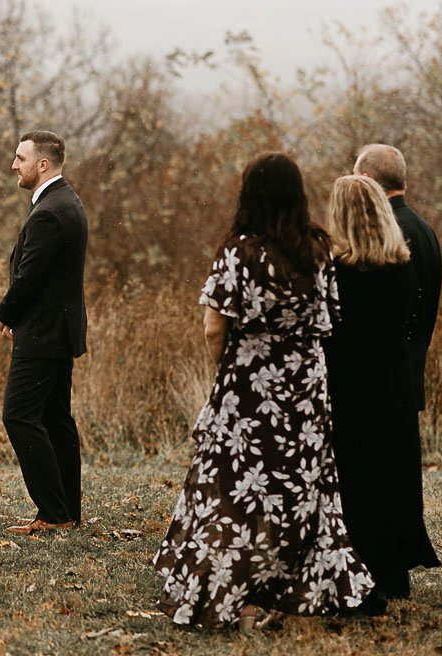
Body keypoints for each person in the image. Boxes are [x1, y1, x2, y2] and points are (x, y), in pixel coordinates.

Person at [154, 152, 372, 630]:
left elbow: (215, 328)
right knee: (299, 489)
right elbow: (329, 322)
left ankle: (239, 598)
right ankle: (292, 595)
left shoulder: (239, 251)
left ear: (249, 194)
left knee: (234, 491)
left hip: (250, 387)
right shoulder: (318, 250)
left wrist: (232, 370)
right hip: (305, 388)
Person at [323, 174, 439, 611]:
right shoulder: (402, 266)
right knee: (392, 475)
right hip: (394, 385)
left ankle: (358, 574)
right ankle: (393, 572)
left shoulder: (336, 272)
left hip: (350, 386)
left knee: (356, 481)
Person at [0, 130, 88, 535]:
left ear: (43, 164)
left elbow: (30, 277)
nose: (14, 165)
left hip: (43, 332)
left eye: (20, 158)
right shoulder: (67, 200)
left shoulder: (50, 211)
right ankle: (66, 510)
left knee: (18, 416)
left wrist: (6, 312)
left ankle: (53, 512)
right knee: (55, 418)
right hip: (58, 331)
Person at [352, 144, 442, 413]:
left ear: (366, 180)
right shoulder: (425, 229)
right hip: (410, 372)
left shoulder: (385, 232)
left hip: (381, 380)